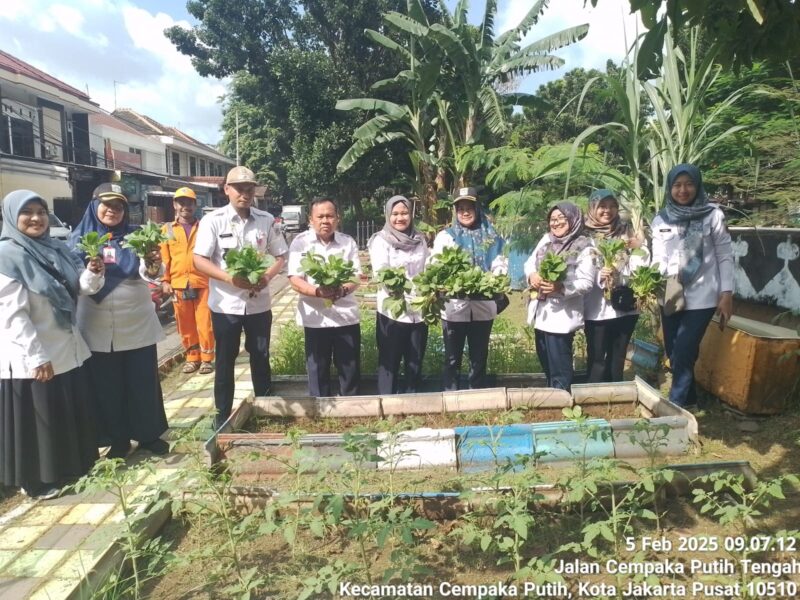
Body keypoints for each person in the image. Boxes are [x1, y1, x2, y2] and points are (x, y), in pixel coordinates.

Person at [0, 191, 104, 498]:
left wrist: (93, 273)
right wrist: (35, 356)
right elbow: (13, 315)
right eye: (27, 212)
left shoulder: (55, 249)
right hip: (33, 354)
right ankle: (37, 482)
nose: (36, 218)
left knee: (64, 413)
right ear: (11, 217)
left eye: (41, 211)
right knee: (39, 422)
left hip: (65, 347)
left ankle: (71, 468)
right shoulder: (8, 257)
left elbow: (79, 288)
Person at [69, 183, 169, 459]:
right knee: (107, 387)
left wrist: (153, 264)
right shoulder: (79, 241)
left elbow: (151, 274)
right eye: (107, 204)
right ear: (94, 206)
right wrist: (92, 271)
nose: (112, 210)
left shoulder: (136, 237)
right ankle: (118, 440)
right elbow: (83, 288)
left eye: (119, 206)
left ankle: (149, 436)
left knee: (142, 382)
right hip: (97, 325)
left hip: (136, 322)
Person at [193, 167, 288, 428]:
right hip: (225, 305)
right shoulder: (214, 221)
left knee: (261, 354)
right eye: (239, 188)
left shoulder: (266, 220)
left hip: (259, 304)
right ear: (226, 190)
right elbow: (199, 259)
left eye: (249, 189)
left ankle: (265, 406)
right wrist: (229, 279)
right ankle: (222, 415)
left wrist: (266, 277)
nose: (245, 194)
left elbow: (280, 256)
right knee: (225, 359)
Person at [651, 164, 733, 408]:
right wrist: (649, 282)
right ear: (670, 188)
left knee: (685, 349)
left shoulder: (713, 215)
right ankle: (691, 400)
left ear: (697, 186)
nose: (683, 190)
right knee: (674, 351)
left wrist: (726, 293)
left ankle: (674, 407)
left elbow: (725, 255)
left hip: (704, 295)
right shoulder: (661, 219)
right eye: (677, 185)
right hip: (670, 294)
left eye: (689, 184)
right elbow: (658, 258)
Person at [432, 187, 507, 391]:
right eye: (460, 208)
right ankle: (450, 395)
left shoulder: (491, 236)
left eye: (469, 207)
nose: (465, 212)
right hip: (454, 307)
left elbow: (500, 263)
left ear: (477, 208)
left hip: (483, 307)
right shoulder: (446, 237)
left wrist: (494, 278)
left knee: (479, 356)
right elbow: (436, 266)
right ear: (455, 212)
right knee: (452, 357)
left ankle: (478, 395)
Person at [288, 198, 361, 397]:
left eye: (330, 216)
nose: (325, 221)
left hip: (345, 316)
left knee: (349, 368)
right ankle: (319, 413)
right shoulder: (300, 242)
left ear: (338, 219)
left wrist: (343, 290)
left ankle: (351, 409)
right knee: (317, 370)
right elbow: (295, 278)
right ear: (311, 220)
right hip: (315, 318)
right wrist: (317, 292)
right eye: (320, 216)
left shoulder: (348, 242)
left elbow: (355, 276)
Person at [525, 202, 596, 392]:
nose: (556, 223)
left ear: (573, 219)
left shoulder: (584, 246)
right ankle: (553, 398)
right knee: (546, 362)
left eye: (561, 219)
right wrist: (532, 275)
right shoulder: (546, 240)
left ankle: (563, 402)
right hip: (541, 313)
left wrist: (560, 287)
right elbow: (529, 263)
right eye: (552, 219)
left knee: (560, 367)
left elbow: (586, 282)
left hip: (562, 317)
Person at [583, 189, 650, 383]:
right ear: (592, 207)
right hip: (596, 308)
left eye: (612, 206)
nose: (608, 210)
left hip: (625, 305)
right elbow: (581, 266)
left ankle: (616, 393)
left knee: (618, 356)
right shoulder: (584, 235)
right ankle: (593, 396)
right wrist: (600, 274)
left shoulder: (628, 231)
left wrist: (624, 271)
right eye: (602, 206)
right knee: (597, 357)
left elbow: (641, 261)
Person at [368, 195, 429, 394]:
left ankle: (413, 406)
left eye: (404, 213)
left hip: (419, 310)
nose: (400, 218)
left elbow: (427, 269)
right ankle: (387, 407)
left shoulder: (420, 239)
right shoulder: (380, 240)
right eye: (395, 214)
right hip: (391, 312)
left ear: (411, 214)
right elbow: (381, 272)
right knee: (389, 362)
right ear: (387, 215)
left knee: (415, 360)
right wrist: (404, 289)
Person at [160, 187, 215, 375]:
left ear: (195, 205)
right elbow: (164, 259)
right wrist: (164, 281)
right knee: (185, 324)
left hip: (203, 282)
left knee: (205, 322)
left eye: (189, 203)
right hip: (178, 284)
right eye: (181, 202)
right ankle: (192, 358)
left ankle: (207, 358)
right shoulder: (167, 229)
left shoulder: (205, 227)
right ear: (175, 205)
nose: (186, 206)